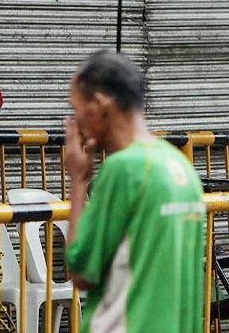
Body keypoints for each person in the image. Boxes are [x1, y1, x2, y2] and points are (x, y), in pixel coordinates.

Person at [65, 50, 205, 333]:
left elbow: (81, 271)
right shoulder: (180, 165)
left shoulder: (124, 169)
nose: (75, 121)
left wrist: (79, 181)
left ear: (99, 104)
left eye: (76, 108)